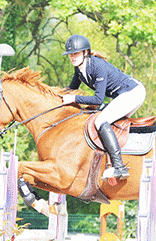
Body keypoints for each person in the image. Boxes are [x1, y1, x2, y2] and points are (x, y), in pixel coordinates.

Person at [62, 34, 146, 181]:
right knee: (100, 116)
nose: (72, 57)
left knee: (100, 121)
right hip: (125, 94)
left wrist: (74, 99)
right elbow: (70, 89)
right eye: (70, 54)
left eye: (75, 53)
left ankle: (120, 167)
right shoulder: (79, 70)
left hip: (133, 92)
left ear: (85, 52)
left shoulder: (97, 66)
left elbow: (97, 99)